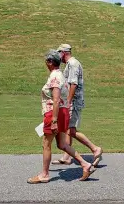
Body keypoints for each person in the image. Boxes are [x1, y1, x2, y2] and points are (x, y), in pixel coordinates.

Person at [27, 49, 96, 184]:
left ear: (51, 62)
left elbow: (56, 99)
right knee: (62, 144)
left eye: (47, 61)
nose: (46, 63)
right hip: (63, 112)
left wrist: (53, 120)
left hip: (54, 113)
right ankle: (85, 164)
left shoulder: (54, 76)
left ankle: (44, 175)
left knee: (46, 144)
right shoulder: (61, 75)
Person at [51, 44, 103, 167]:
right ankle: (67, 157)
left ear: (63, 53)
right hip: (72, 101)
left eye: (59, 53)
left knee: (72, 131)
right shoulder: (70, 64)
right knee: (69, 129)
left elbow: (73, 84)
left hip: (74, 102)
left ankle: (95, 148)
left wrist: (68, 101)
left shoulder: (73, 64)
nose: (58, 57)